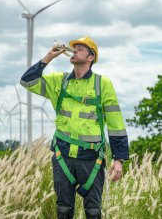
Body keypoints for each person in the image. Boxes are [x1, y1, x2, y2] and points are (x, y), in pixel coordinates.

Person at [20, 36, 129, 219]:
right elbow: (27, 81)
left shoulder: (102, 84)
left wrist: (119, 159)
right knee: (63, 210)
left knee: (93, 212)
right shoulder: (59, 81)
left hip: (92, 159)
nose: (75, 50)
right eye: (74, 47)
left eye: (80, 48)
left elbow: (116, 123)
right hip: (63, 157)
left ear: (90, 57)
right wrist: (48, 57)